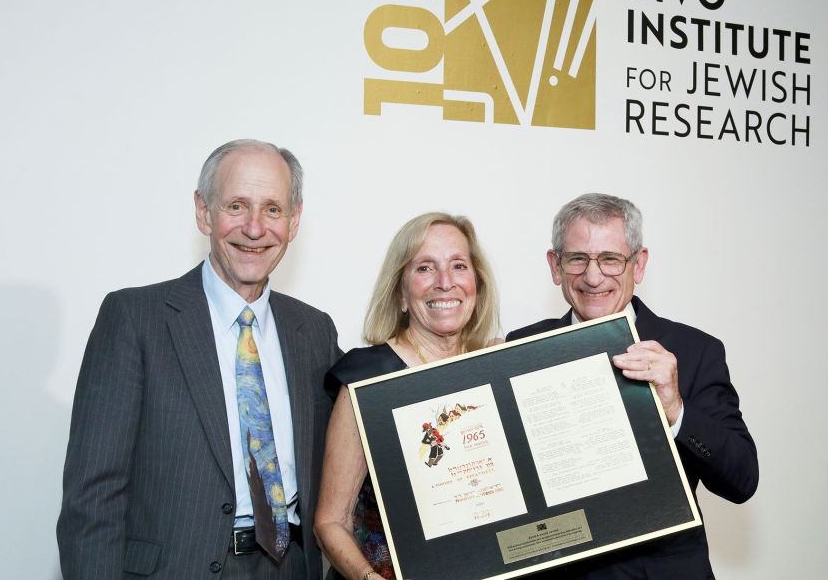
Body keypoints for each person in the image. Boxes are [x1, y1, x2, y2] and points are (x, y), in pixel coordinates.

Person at [57, 139, 341, 580]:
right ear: (204, 212)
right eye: (236, 206)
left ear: (294, 220)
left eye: (272, 209)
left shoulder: (315, 331)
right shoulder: (135, 319)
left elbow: (362, 442)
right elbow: (92, 499)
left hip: (291, 569)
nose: (254, 228)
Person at [507, 193, 758, 580]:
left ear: (638, 265)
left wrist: (676, 409)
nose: (593, 277)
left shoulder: (693, 351)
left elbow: (741, 480)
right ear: (555, 266)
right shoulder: (520, 349)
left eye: (610, 259)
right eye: (577, 259)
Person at [313, 213, 499, 580]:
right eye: (425, 268)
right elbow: (330, 521)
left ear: (476, 284)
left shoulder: (497, 368)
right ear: (400, 292)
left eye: (458, 266)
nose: (445, 282)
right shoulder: (366, 379)